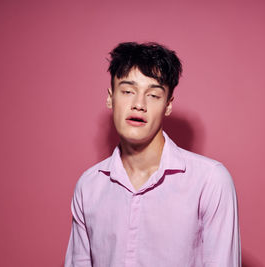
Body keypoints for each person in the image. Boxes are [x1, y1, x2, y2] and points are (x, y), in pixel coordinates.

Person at [64, 42, 241, 267]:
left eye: (154, 95)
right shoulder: (88, 186)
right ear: (110, 98)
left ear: (168, 105)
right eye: (128, 91)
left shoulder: (209, 181)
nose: (139, 104)